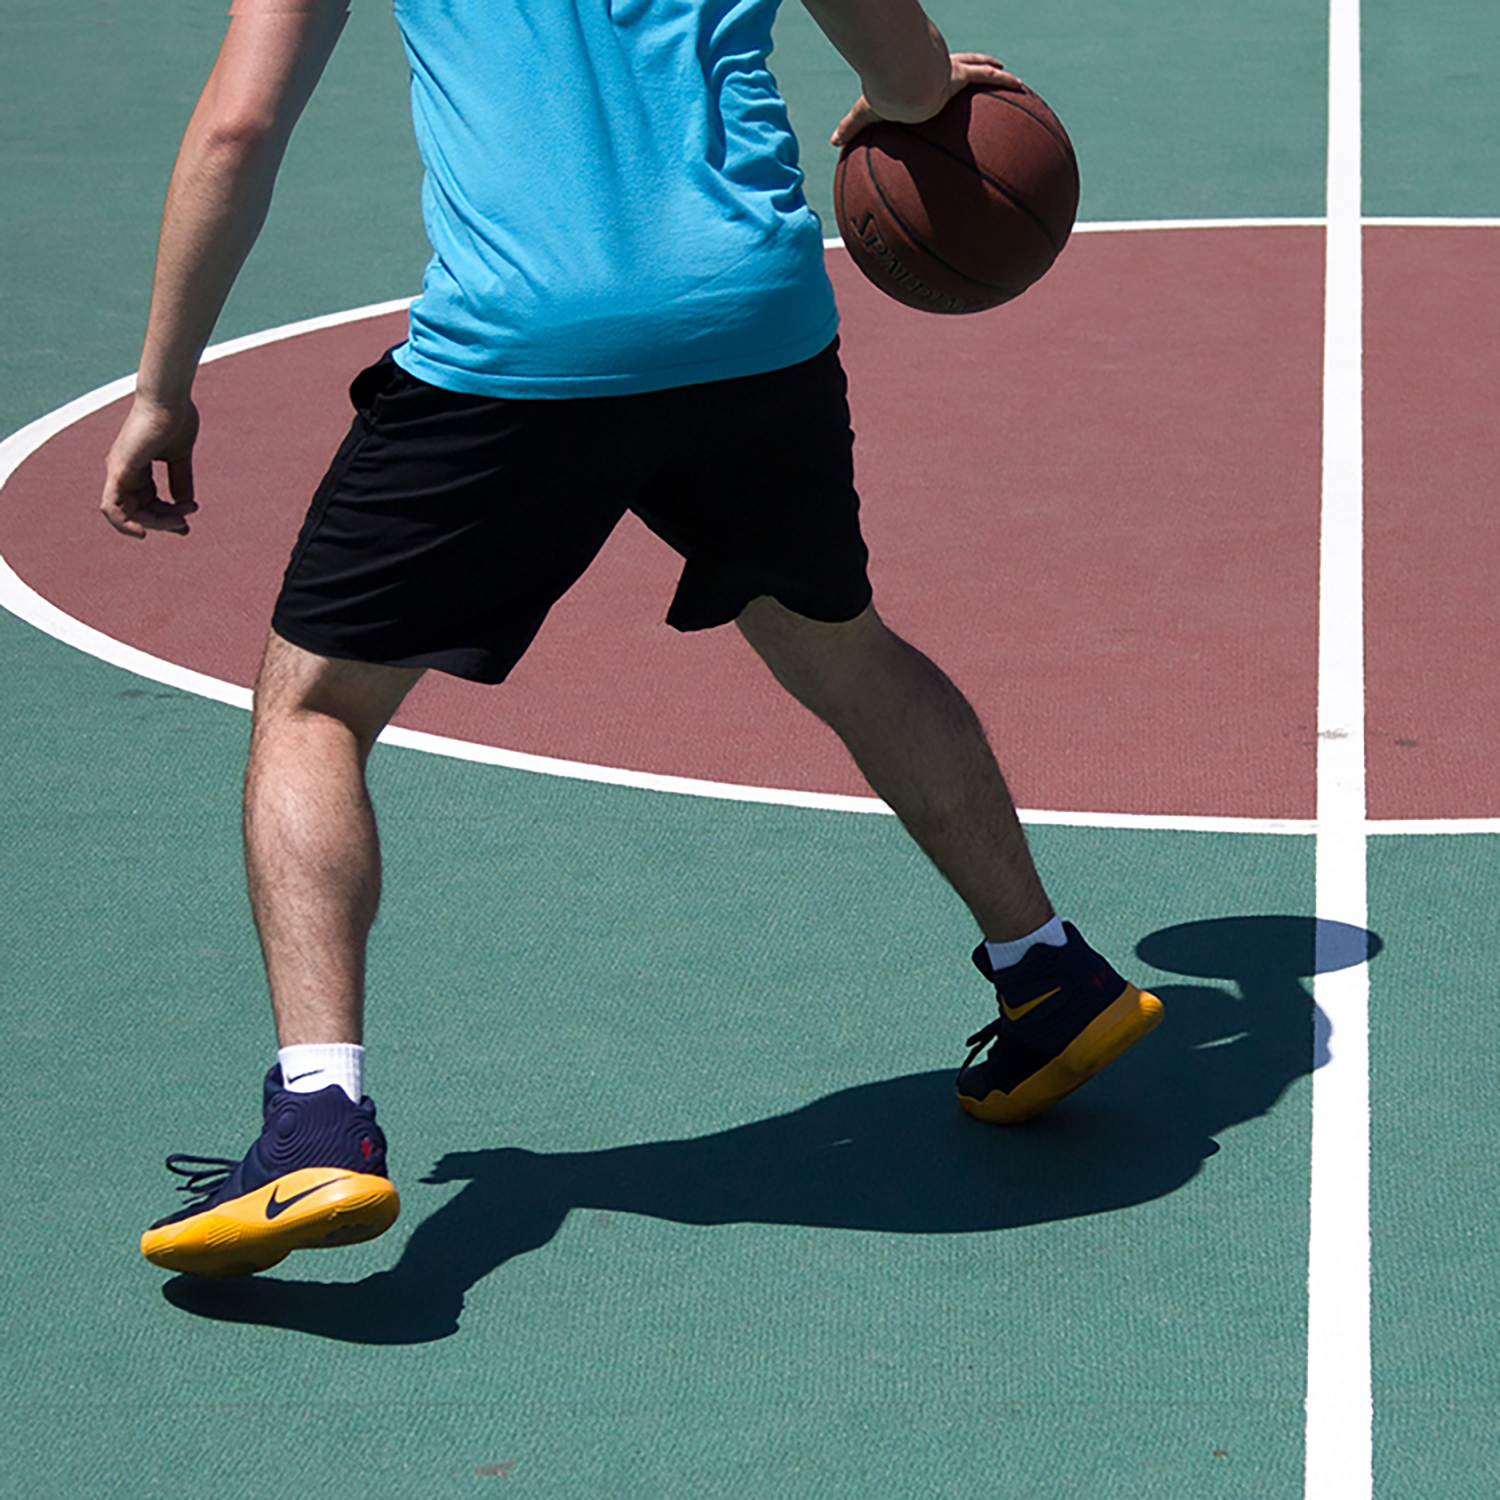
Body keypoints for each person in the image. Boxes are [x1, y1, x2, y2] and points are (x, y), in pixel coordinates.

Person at [103, 0, 1162, 1280]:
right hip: (753, 318)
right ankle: (1049, 972)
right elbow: (895, 57)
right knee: (844, 649)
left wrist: (163, 384)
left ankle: (320, 1116)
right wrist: (922, 85)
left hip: (522, 343)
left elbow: (238, 125)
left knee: (317, 709)